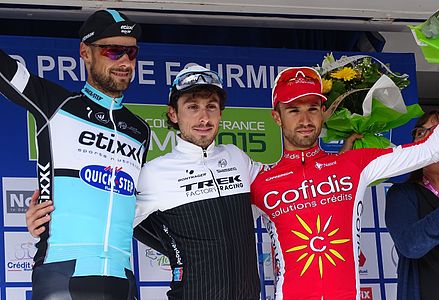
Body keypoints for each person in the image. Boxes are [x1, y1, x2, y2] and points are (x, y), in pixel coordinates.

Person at [250, 67, 439, 300]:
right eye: (293, 110)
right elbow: (220, 230)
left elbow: (428, 150)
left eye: (312, 109)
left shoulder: (353, 165)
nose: (305, 119)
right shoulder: (260, 181)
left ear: (323, 113)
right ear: (277, 117)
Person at [0, 9, 150, 299]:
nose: (124, 61)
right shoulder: (54, 103)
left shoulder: (140, 130)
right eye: (112, 50)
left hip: (123, 279)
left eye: (130, 52)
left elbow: (140, 209)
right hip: (63, 275)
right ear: (86, 52)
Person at [132, 64, 262, 299]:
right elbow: (109, 221)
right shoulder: (154, 173)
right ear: (173, 113)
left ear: (221, 112)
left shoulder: (237, 158)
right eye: (192, 107)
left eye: (211, 107)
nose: (204, 118)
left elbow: (286, 182)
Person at [385, 110, 439, 300]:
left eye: (436, 132)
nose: (428, 140)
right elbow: (410, 246)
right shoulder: (402, 194)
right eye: (420, 133)